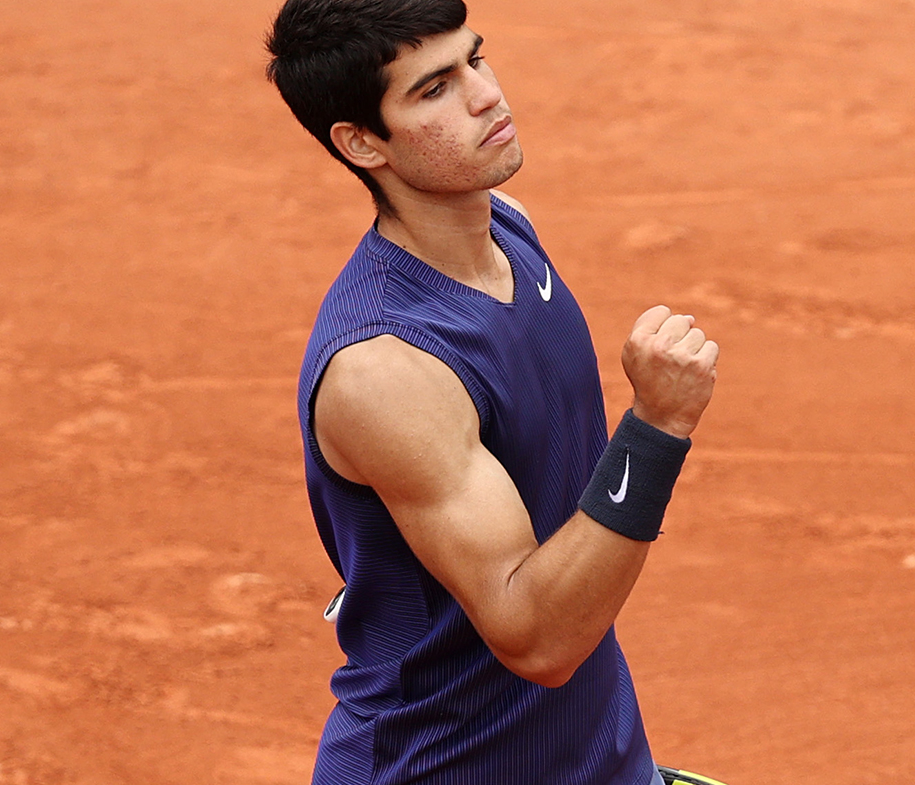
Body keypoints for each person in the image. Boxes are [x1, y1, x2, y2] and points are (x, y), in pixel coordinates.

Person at [265, 1, 721, 783]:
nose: (485, 96)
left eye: (475, 59)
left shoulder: (509, 227)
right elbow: (536, 637)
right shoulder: (387, 368)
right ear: (361, 141)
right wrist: (657, 426)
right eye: (434, 88)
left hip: (592, 759)